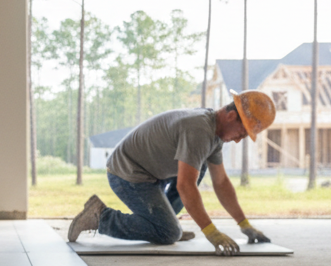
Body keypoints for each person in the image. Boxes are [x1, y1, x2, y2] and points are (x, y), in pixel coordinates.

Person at [67, 90, 277, 255]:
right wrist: (211, 233)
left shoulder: (214, 134)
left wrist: (244, 224)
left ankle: (165, 223)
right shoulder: (199, 130)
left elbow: (221, 182)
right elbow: (185, 185)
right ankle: (100, 217)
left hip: (151, 175)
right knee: (168, 233)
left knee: (199, 165)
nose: (239, 140)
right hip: (127, 174)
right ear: (231, 116)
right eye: (241, 133)